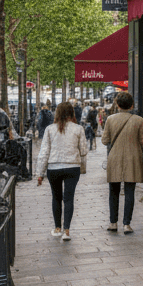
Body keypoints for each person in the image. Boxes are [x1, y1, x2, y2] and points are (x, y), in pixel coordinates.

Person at [35, 101, 89, 241]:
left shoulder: (50, 129)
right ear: (71, 113)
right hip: (72, 167)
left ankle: (57, 228)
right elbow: (84, 150)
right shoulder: (78, 129)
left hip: (54, 168)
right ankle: (67, 231)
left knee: (56, 197)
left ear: (57, 113)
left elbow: (44, 153)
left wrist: (39, 174)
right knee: (69, 198)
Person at [101, 91, 143, 235]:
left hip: (114, 157)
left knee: (113, 191)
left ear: (117, 104)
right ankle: (127, 224)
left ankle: (113, 223)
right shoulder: (138, 120)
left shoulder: (110, 119)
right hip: (132, 157)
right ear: (131, 105)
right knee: (129, 191)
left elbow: (104, 140)